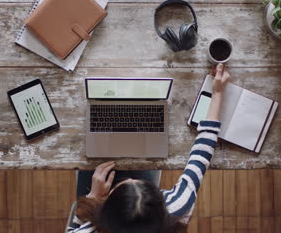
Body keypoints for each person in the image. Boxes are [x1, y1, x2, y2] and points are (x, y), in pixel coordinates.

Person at [67, 64, 231, 233]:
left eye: (122, 185)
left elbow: (72, 228)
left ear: (105, 213)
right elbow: (201, 156)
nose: (130, 178)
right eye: (143, 184)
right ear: (161, 205)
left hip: (98, 205)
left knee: (91, 168)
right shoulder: (177, 205)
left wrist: (93, 198)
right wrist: (217, 93)